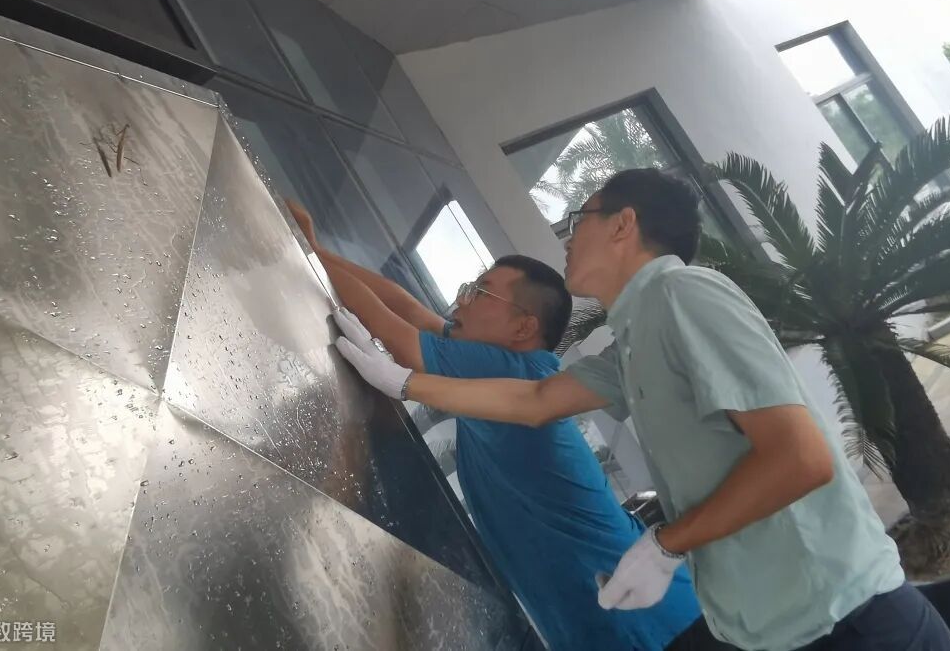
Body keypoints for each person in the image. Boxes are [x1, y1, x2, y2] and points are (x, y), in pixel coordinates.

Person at [332, 170, 950, 651]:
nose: (566, 234)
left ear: (622, 225)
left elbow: (801, 458)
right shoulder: (633, 335)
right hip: (777, 633)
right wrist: (404, 382)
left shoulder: (683, 293)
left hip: (852, 623)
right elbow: (536, 401)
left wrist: (664, 545)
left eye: (579, 217)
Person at [286, 199, 730, 651]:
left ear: (523, 329)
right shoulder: (501, 372)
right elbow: (412, 312)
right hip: (644, 618)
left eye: (480, 293)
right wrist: (317, 247)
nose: (461, 301)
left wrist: (308, 249)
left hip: (665, 629)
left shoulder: (515, 372)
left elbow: (396, 332)